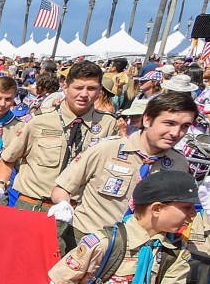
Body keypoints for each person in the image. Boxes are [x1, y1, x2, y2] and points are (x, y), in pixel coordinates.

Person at [48, 170, 195, 284]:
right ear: (157, 208)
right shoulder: (106, 241)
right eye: (187, 207)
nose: (193, 215)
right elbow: (61, 279)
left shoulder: (174, 251)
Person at [48, 90, 194, 246]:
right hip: (87, 240)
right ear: (147, 119)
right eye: (169, 123)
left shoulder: (178, 164)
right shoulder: (106, 149)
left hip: (137, 247)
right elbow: (62, 187)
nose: (176, 133)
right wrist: (63, 204)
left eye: (184, 126)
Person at [0, 62, 117, 212]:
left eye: (92, 88)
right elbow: (9, 158)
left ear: (100, 90)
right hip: (34, 206)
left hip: (78, 211)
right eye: (78, 88)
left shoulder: (107, 125)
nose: (84, 94)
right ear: (65, 87)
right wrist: (0, 185)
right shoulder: (40, 120)